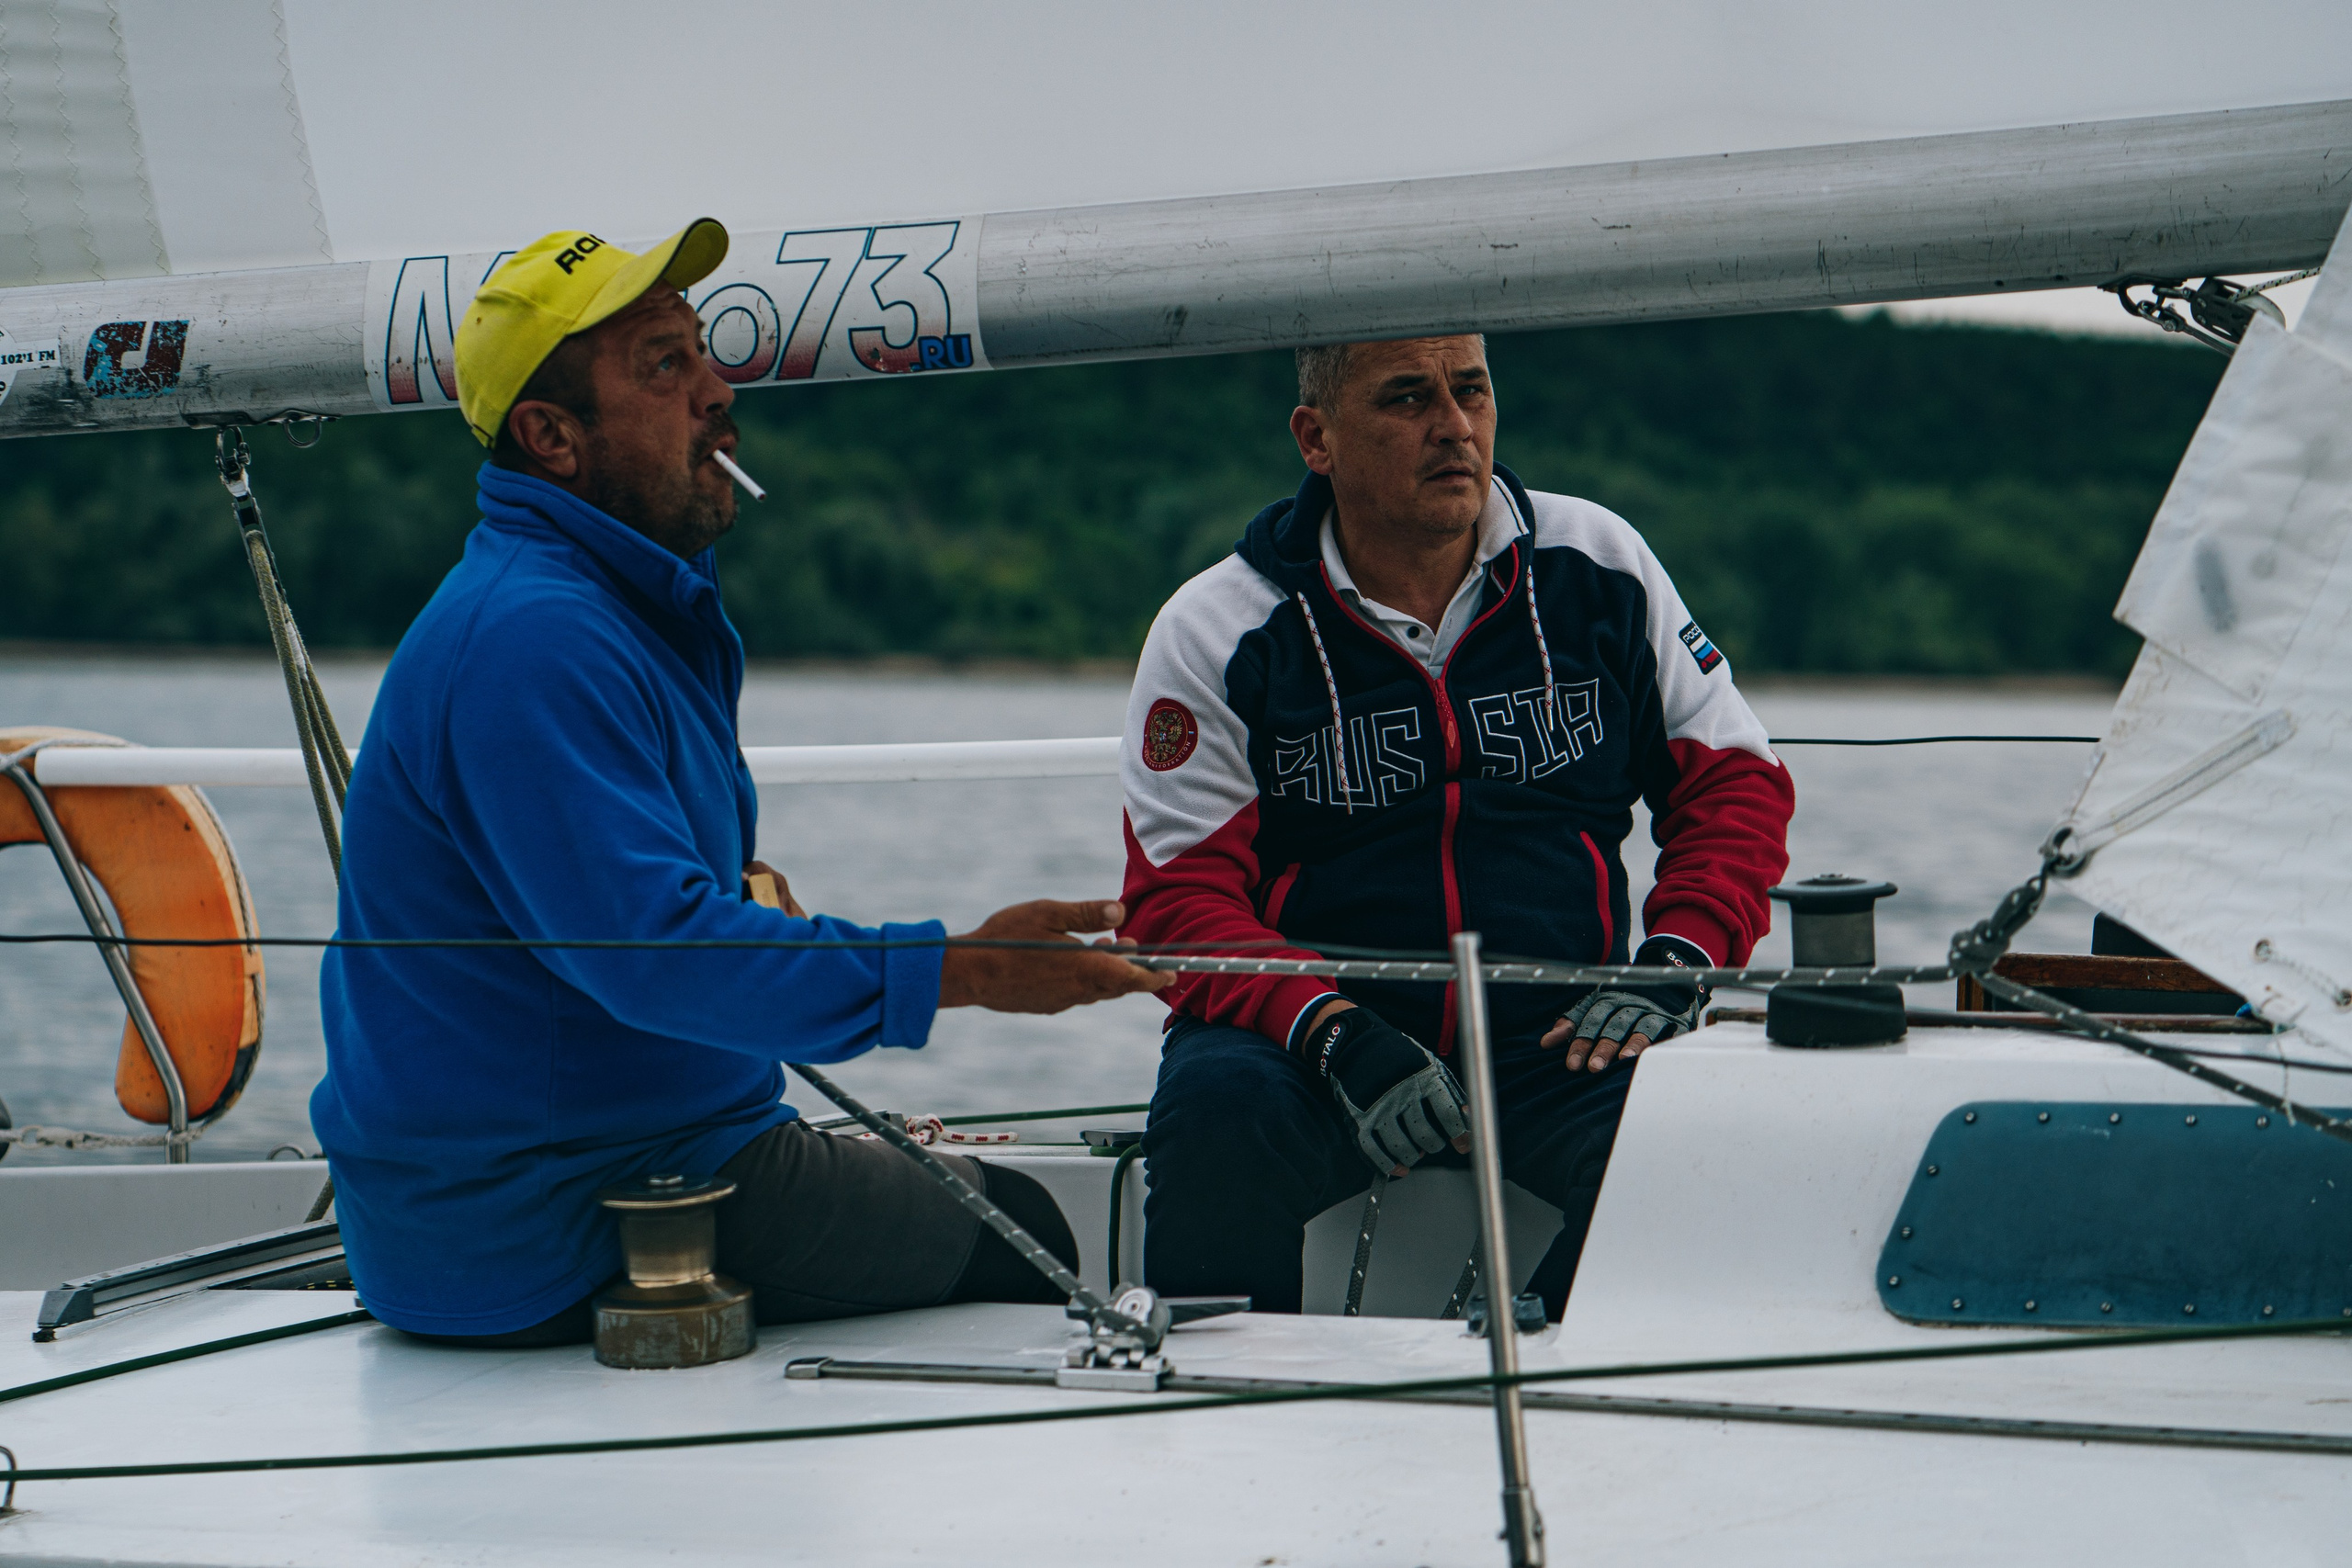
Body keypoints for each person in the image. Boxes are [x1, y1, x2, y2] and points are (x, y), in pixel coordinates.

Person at [313, 220, 1165, 1345]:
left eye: (704, 352)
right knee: (1019, 1228)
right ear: (551, 436)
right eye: (665, 365)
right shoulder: (533, 641)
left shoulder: (596, 608)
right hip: (554, 1219)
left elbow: (634, 925)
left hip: (566, 1173)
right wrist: (974, 969)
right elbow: (654, 954)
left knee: (971, 1209)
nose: (719, 389)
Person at [1119, 333, 1792, 1318]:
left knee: (1702, 1148)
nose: (1453, 426)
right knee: (1220, 1120)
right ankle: (1225, 1428)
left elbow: (1734, 784)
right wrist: (1332, 1032)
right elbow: (1179, 899)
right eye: (1405, 399)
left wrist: (1678, 959)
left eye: (1470, 389)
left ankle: (1540, 1372)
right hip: (1311, 1041)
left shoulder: (1595, 564)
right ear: (1318, 438)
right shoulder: (1220, 628)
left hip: (1558, 1032)